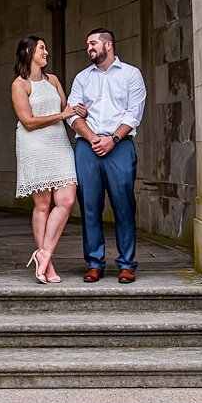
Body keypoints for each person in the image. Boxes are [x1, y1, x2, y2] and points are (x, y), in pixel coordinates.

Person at [67, 28, 147, 284]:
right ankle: (94, 262)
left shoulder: (131, 74)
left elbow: (133, 114)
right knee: (89, 206)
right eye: (87, 44)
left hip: (120, 146)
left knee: (124, 205)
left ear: (108, 44)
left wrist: (112, 140)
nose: (88, 48)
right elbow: (71, 113)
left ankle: (126, 264)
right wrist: (92, 138)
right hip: (86, 147)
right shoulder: (82, 78)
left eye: (92, 44)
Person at [10, 36, 84, 284]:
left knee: (66, 200)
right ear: (29, 51)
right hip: (35, 145)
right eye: (42, 48)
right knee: (43, 205)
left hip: (59, 143)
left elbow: (66, 109)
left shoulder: (53, 80)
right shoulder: (20, 84)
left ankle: (44, 253)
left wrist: (76, 111)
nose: (46, 52)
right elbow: (28, 121)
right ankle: (48, 264)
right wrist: (61, 114)